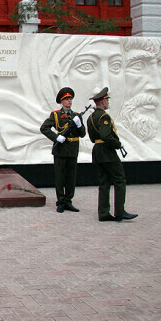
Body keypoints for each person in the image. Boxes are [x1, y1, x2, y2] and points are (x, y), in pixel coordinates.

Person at [86, 87, 138, 222]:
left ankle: (103, 213)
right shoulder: (103, 116)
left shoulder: (91, 117)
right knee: (120, 179)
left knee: (104, 182)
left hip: (97, 150)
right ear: (103, 102)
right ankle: (120, 212)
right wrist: (117, 144)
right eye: (107, 100)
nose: (108, 102)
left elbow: (92, 138)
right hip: (107, 152)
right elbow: (106, 135)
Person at [40, 87, 86, 213]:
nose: (69, 101)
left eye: (70, 99)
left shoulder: (76, 116)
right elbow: (44, 128)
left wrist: (79, 124)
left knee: (71, 177)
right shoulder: (55, 115)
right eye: (66, 99)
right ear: (61, 101)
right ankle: (60, 201)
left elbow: (82, 134)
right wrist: (56, 138)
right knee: (60, 177)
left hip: (72, 149)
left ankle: (68, 201)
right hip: (61, 150)